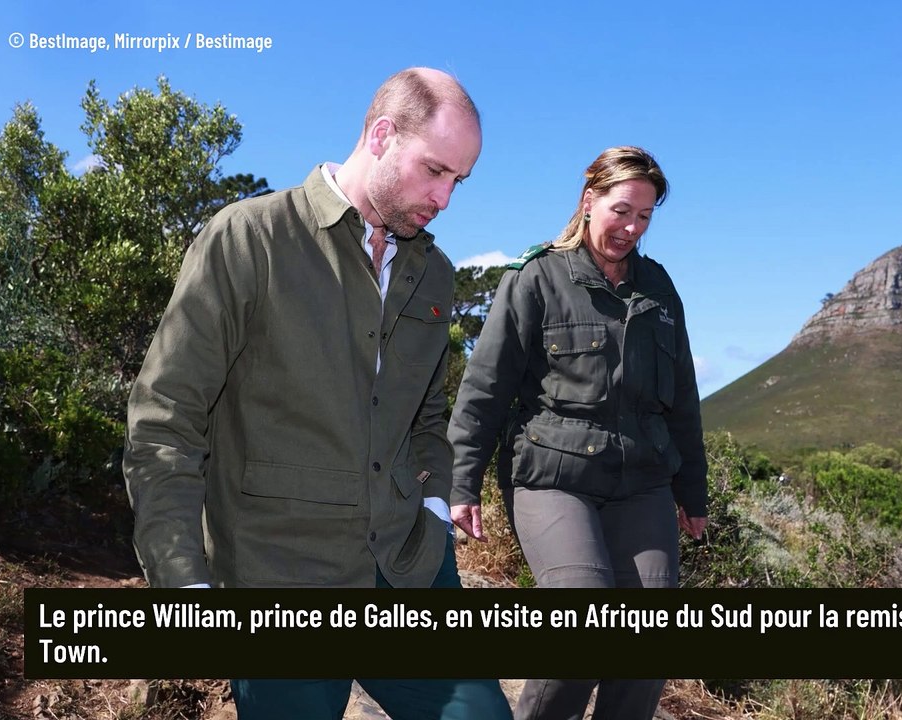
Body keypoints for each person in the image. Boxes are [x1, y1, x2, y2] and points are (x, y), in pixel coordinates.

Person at [124, 67, 510, 720]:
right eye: (435, 171)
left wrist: (438, 509)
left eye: (458, 181)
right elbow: (165, 421)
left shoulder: (435, 274)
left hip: (410, 565)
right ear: (383, 136)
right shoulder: (248, 239)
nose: (444, 199)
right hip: (280, 575)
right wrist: (182, 579)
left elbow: (427, 418)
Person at [448, 146, 708, 720]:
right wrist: (462, 482)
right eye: (621, 210)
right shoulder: (537, 276)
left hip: (641, 482)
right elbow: (485, 386)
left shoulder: (660, 291)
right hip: (552, 475)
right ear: (589, 201)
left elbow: (683, 401)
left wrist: (693, 494)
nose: (631, 227)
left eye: (644, 216)